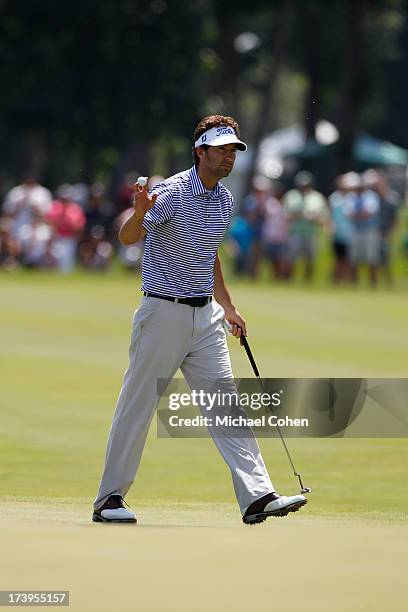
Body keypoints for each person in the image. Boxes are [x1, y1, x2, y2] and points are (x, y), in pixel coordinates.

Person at [93, 115, 307, 525]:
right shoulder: (171, 193)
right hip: (162, 312)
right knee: (137, 406)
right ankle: (109, 500)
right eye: (222, 150)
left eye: (233, 151)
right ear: (200, 151)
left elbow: (208, 257)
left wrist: (227, 305)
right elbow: (127, 237)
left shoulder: (224, 199)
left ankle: (257, 495)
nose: (228, 157)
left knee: (225, 403)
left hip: (204, 317)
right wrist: (139, 213)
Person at [283, 171, 329, 281]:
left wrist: (313, 217)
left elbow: (323, 217)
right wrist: (298, 215)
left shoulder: (317, 197)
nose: (303, 187)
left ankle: (308, 281)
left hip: (311, 233)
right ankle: (289, 280)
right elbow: (286, 215)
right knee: (291, 258)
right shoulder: (291, 196)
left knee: (310, 259)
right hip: (295, 232)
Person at [328, 173, 355, 283]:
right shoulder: (334, 197)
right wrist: (330, 226)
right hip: (337, 233)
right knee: (338, 259)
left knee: (349, 260)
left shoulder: (352, 197)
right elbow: (329, 215)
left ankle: (348, 281)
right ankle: (336, 281)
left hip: (351, 233)